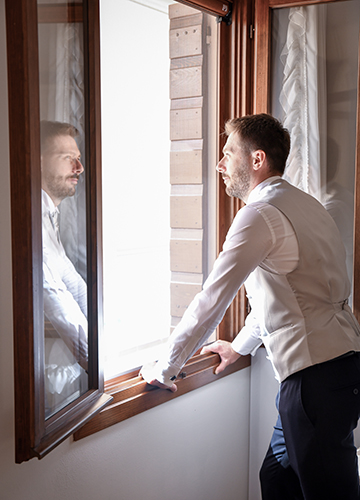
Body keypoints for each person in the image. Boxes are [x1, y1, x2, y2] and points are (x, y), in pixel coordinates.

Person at [140, 113, 360, 499]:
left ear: (257, 160)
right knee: (275, 479)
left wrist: (167, 367)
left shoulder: (258, 215)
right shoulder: (306, 204)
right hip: (337, 369)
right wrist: (238, 347)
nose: (220, 165)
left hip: (313, 381)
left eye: (228, 153)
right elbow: (292, 295)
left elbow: (212, 299)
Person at [41, 120, 88, 377]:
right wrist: (98, 363)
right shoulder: (31, 220)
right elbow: (56, 299)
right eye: (67, 158)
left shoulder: (48, 214)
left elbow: (74, 285)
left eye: (78, 158)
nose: (79, 168)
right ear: (37, 162)